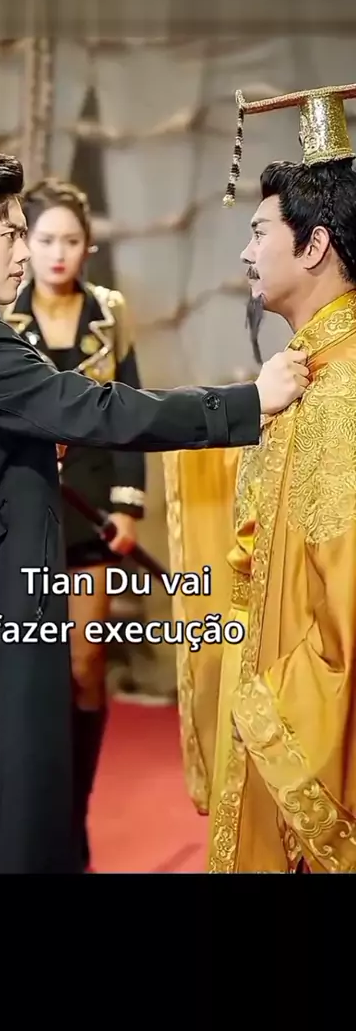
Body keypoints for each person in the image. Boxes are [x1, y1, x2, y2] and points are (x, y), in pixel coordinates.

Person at [0, 152, 307, 875]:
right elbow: (102, 409)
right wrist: (249, 402)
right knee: (0, 815)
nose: (25, 251)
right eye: (12, 233)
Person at [192, 82, 356, 873]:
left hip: (298, 726)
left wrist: (267, 709)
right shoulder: (306, 371)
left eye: (260, 232)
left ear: (315, 245)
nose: (246, 252)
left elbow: (345, 603)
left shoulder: (345, 390)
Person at [4, 177, 146, 873]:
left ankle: (72, 816)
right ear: (25, 246)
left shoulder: (110, 314)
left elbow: (131, 413)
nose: (57, 252)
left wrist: (127, 506)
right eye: (45, 239)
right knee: (25, 670)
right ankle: (31, 821)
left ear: (88, 246)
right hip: (19, 514)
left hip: (91, 515)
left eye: (70, 240)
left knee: (85, 665)